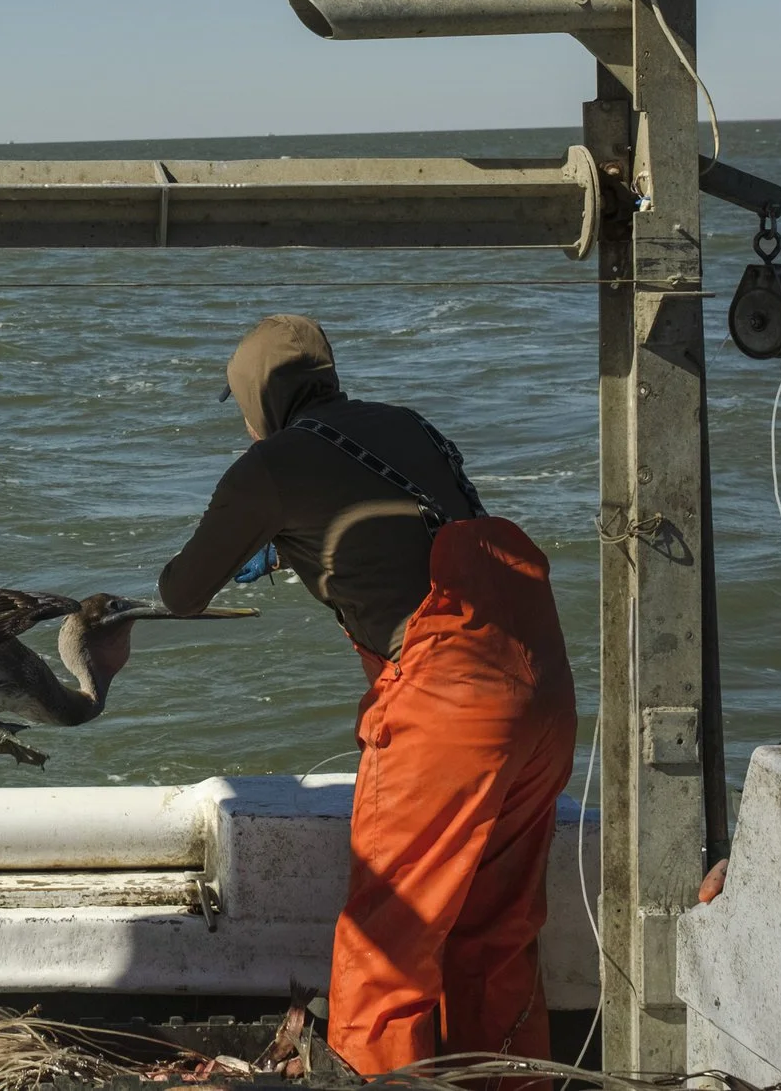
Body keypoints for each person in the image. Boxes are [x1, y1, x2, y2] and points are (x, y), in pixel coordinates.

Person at [158, 315, 575, 1075]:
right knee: (496, 934)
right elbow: (423, 548)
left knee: (388, 944)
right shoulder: (410, 425)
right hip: (540, 683)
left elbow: (182, 591)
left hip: (453, 708)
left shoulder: (273, 465)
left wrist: (259, 531)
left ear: (259, 399)